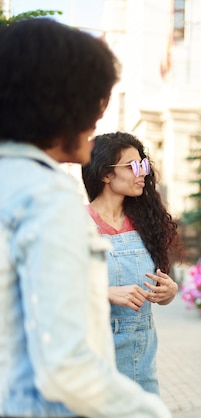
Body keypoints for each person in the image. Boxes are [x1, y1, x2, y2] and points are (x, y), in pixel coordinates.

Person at [0, 18, 171, 417]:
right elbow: (66, 366)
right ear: (59, 105)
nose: (96, 121)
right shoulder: (45, 196)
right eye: (95, 102)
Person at [81, 132, 183, 394]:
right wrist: (106, 292)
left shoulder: (146, 225)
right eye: (133, 166)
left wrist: (169, 292)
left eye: (144, 165)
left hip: (142, 357)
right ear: (105, 174)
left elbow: (158, 292)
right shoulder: (76, 222)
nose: (143, 173)